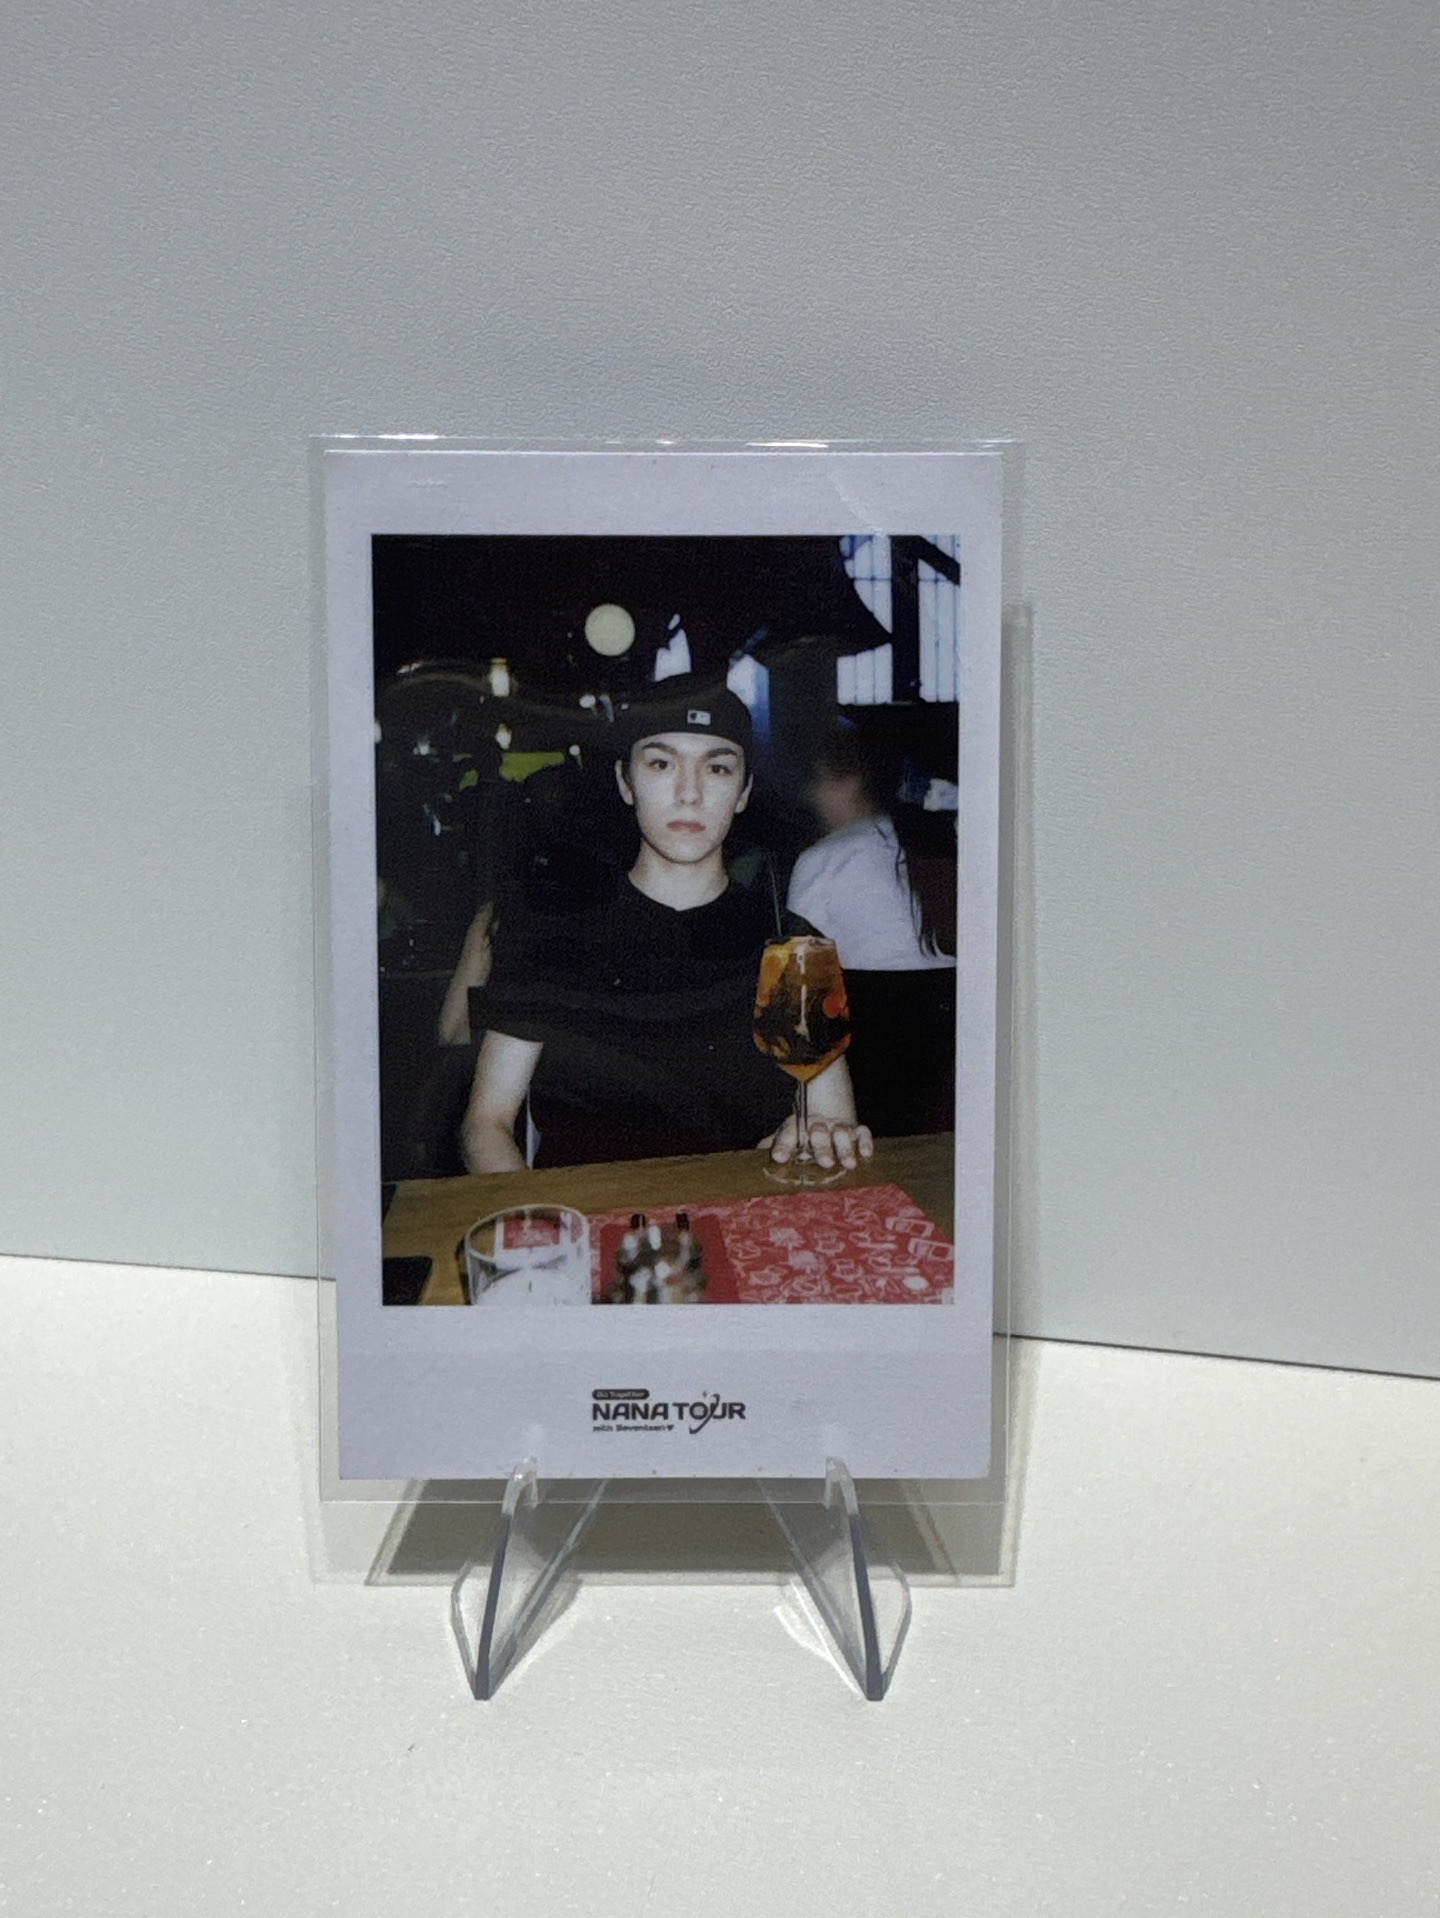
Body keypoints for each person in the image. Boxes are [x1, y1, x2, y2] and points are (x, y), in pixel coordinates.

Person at [461, 677, 873, 1175]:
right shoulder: (553, 931)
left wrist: (822, 1136)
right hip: (586, 1212)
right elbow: (486, 1125)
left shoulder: (792, 945)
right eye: (661, 764)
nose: (689, 793)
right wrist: (538, 1220)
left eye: (718, 768)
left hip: (743, 1209)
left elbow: (831, 1118)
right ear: (625, 781)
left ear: (743, 792)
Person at [787, 723, 957, 1137]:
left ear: (851, 782)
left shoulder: (823, 861)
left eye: (819, 780)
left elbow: (797, 993)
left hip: (865, 1083)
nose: (810, 795)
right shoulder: (945, 842)